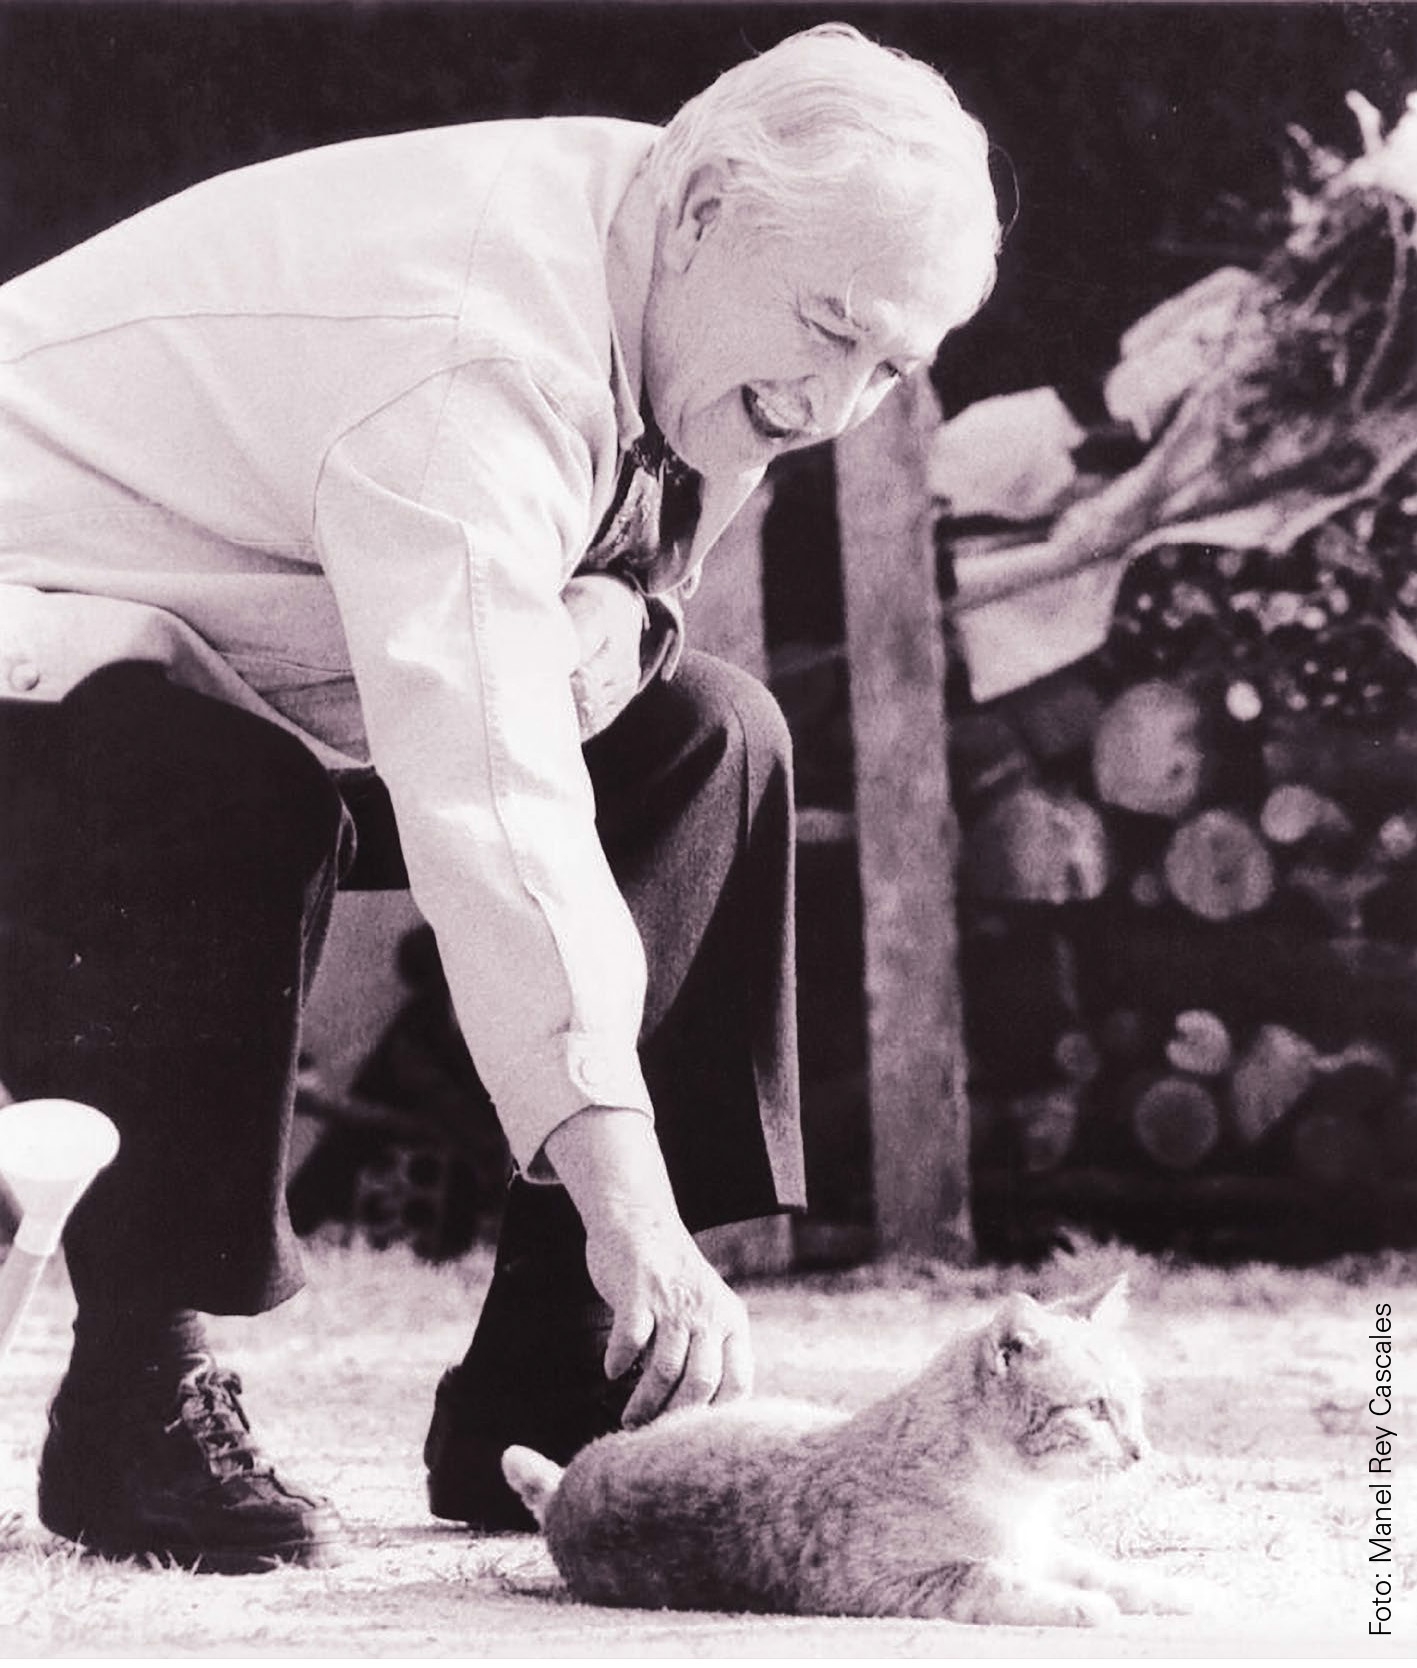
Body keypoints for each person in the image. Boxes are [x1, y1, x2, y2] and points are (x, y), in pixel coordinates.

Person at [0, 23, 1000, 1570]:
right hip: (44, 657)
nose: (835, 401)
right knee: (224, 796)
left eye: (890, 368)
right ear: (704, 213)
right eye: (830, 333)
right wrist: (627, 1194)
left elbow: (620, 585)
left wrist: (627, 613)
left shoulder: (691, 269)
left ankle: (559, 1384)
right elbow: (493, 799)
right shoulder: (476, 351)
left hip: (235, 653)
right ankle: (142, 1387)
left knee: (708, 740)